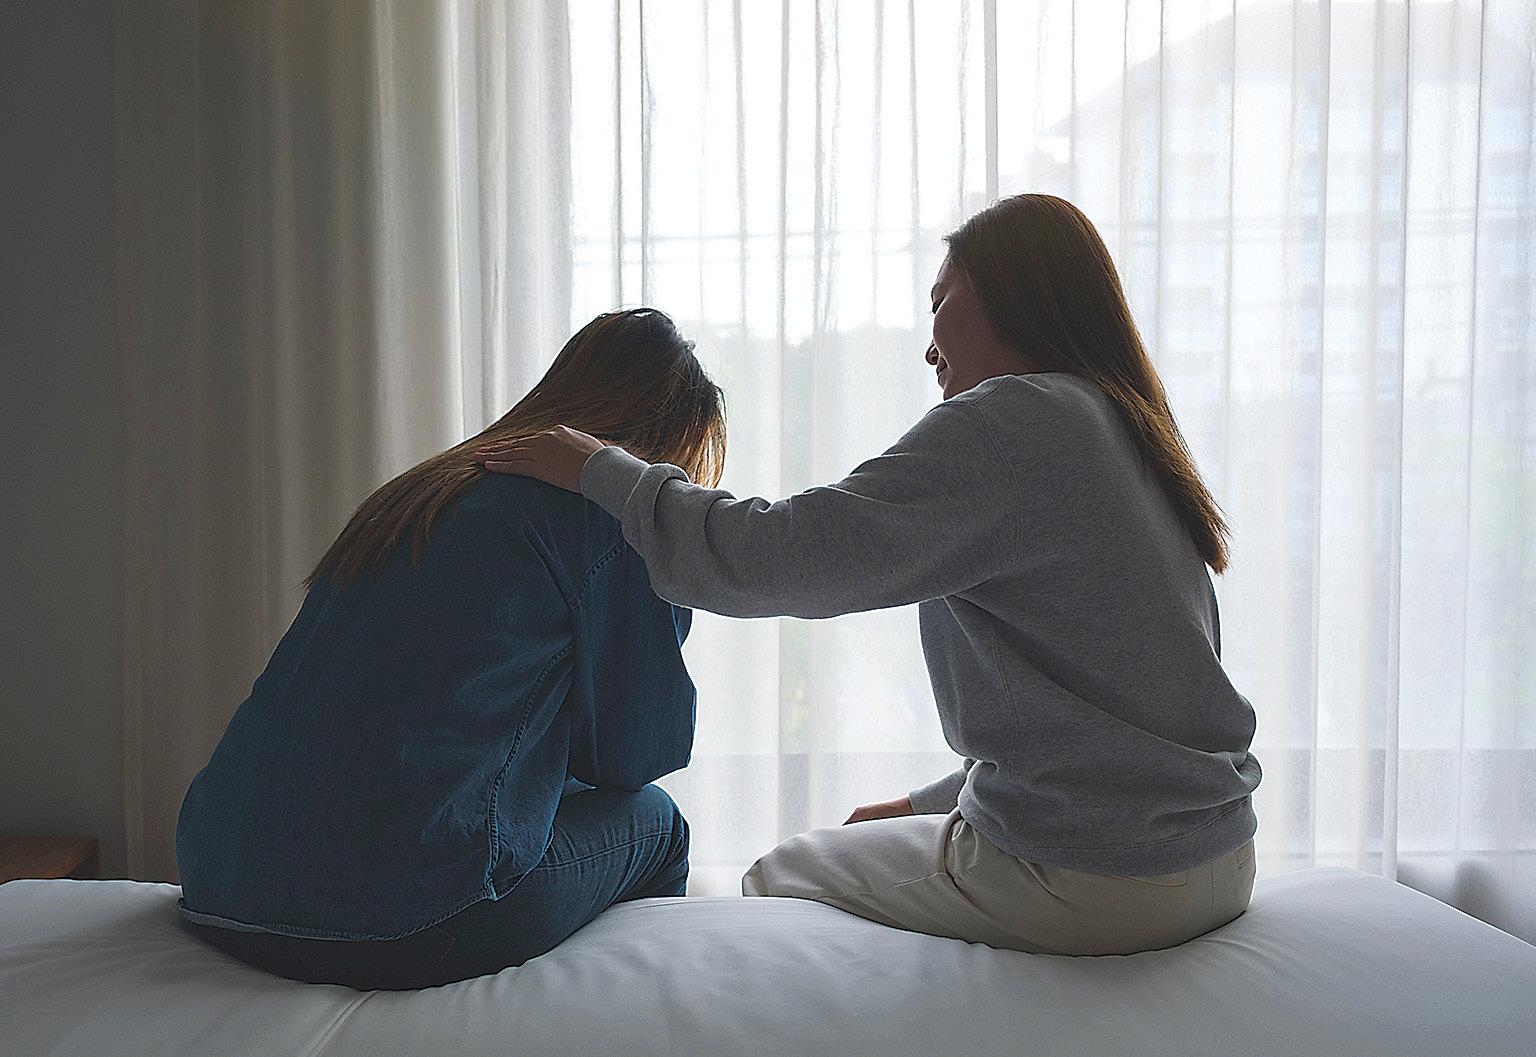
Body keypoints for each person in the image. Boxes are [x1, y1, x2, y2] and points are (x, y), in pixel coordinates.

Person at [475, 193, 1263, 957]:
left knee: (778, 872)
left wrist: (603, 470)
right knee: (855, 840)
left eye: (940, 301)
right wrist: (926, 805)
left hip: (1101, 879)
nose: (929, 347)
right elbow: (1118, 714)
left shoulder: (1013, 423)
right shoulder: (1124, 426)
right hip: (1220, 858)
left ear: (1013, 295)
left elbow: (775, 556)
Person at [175, 308, 726, 989]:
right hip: (407, 918)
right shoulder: (610, 518)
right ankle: (631, 1013)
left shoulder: (419, 494)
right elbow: (637, 755)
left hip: (219, 886)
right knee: (658, 825)